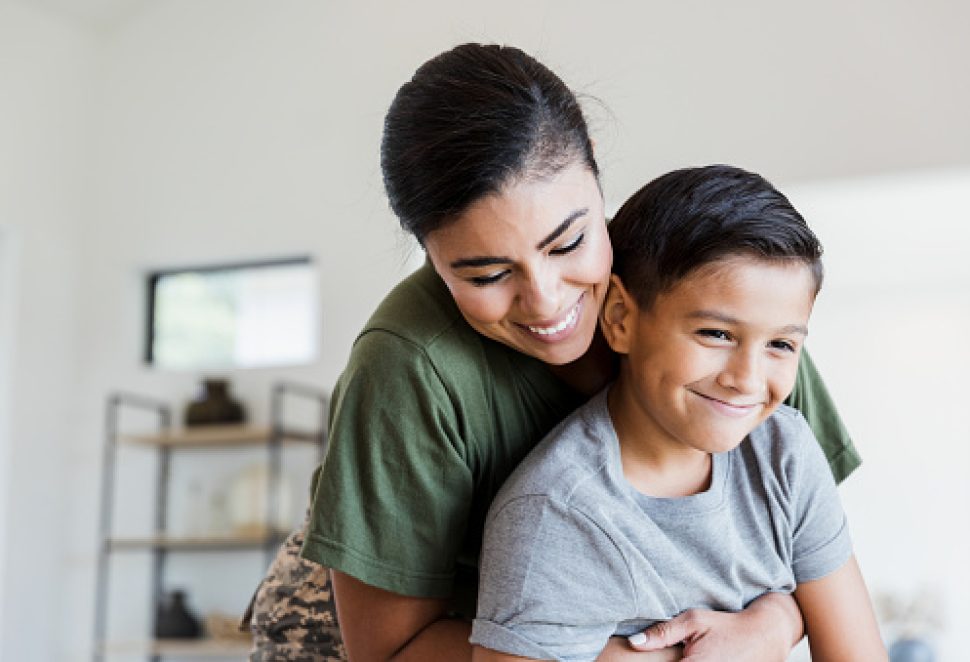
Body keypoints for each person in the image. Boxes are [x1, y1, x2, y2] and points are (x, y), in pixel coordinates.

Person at [245, 44, 861, 661]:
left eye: (568, 242)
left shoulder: (718, 310)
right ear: (430, 258)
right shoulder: (409, 366)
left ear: (594, 172)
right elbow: (390, 650)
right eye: (487, 275)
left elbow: (805, 545)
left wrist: (772, 623)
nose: (545, 302)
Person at [470, 165, 886, 662]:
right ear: (620, 318)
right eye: (716, 334)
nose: (747, 379)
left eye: (780, 344)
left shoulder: (784, 453)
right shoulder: (555, 516)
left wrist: (779, 620)